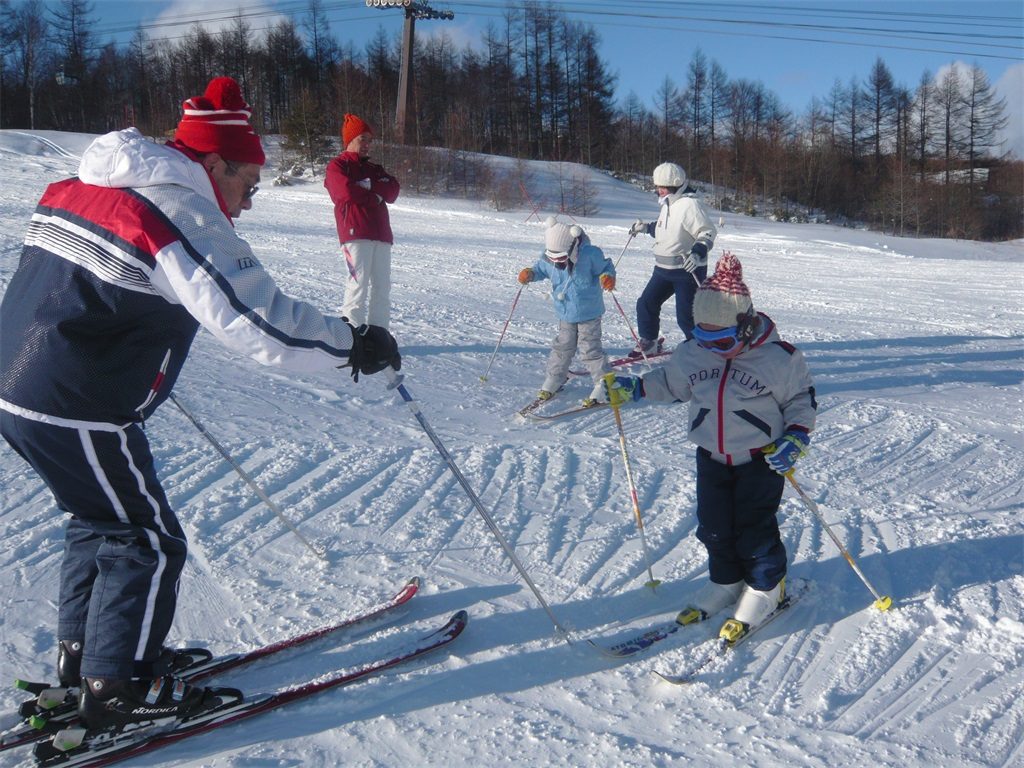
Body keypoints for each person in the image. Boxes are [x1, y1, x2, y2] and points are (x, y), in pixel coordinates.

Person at [0, 76, 400, 732]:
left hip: (21, 387)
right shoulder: (176, 208)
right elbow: (259, 323)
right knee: (147, 538)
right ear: (213, 164)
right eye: (246, 185)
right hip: (75, 400)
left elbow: (72, 283)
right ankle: (118, 685)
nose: (242, 206)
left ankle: (90, 660)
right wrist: (353, 346)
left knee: (97, 520)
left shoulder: (88, 183)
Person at [604, 252, 816, 643]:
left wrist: (796, 436)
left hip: (760, 460)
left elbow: (800, 400)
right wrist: (637, 387)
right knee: (714, 526)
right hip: (711, 456)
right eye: (703, 337)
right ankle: (725, 582)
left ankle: (767, 587)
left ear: (746, 325)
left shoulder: (779, 359)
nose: (712, 348)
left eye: (721, 340)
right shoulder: (693, 353)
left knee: (754, 529)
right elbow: (671, 384)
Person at [518, 218, 617, 407]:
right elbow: (540, 268)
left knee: (589, 348)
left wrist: (607, 277)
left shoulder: (590, 254)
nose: (557, 262)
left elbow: (606, 267)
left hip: (589, 312)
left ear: (572, 248)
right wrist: (530, 273)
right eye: (552, 258)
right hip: (565, 312)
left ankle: (605, 383)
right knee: (563, 346)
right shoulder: (550, 258)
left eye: (561, 258)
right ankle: (555, 377)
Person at [627, 161, 717, 356]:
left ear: (676, 185)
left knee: (686, 317)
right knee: (646, 303)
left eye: (663, 187)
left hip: (687, 271)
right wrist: (645, 228)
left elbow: (707, 232)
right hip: (662, 270)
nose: (659, 190)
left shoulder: (690, 204)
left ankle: (700, 350)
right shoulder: (668, 202)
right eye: (658, 186)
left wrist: (697, 252)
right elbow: (665, 230)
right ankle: (649, 342)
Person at [324, 113, 401, 329]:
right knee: (357, 286)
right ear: (350, 139)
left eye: (370, 140)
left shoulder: (375, 169)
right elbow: (344, 192)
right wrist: (375, 194)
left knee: (382, 288)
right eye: (362, 139)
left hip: (382, 236)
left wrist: (368, 187)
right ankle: (352, 337)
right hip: (355, 235)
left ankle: (379, 334)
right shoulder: (338, 167)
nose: (367, 144)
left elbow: (393, 190)